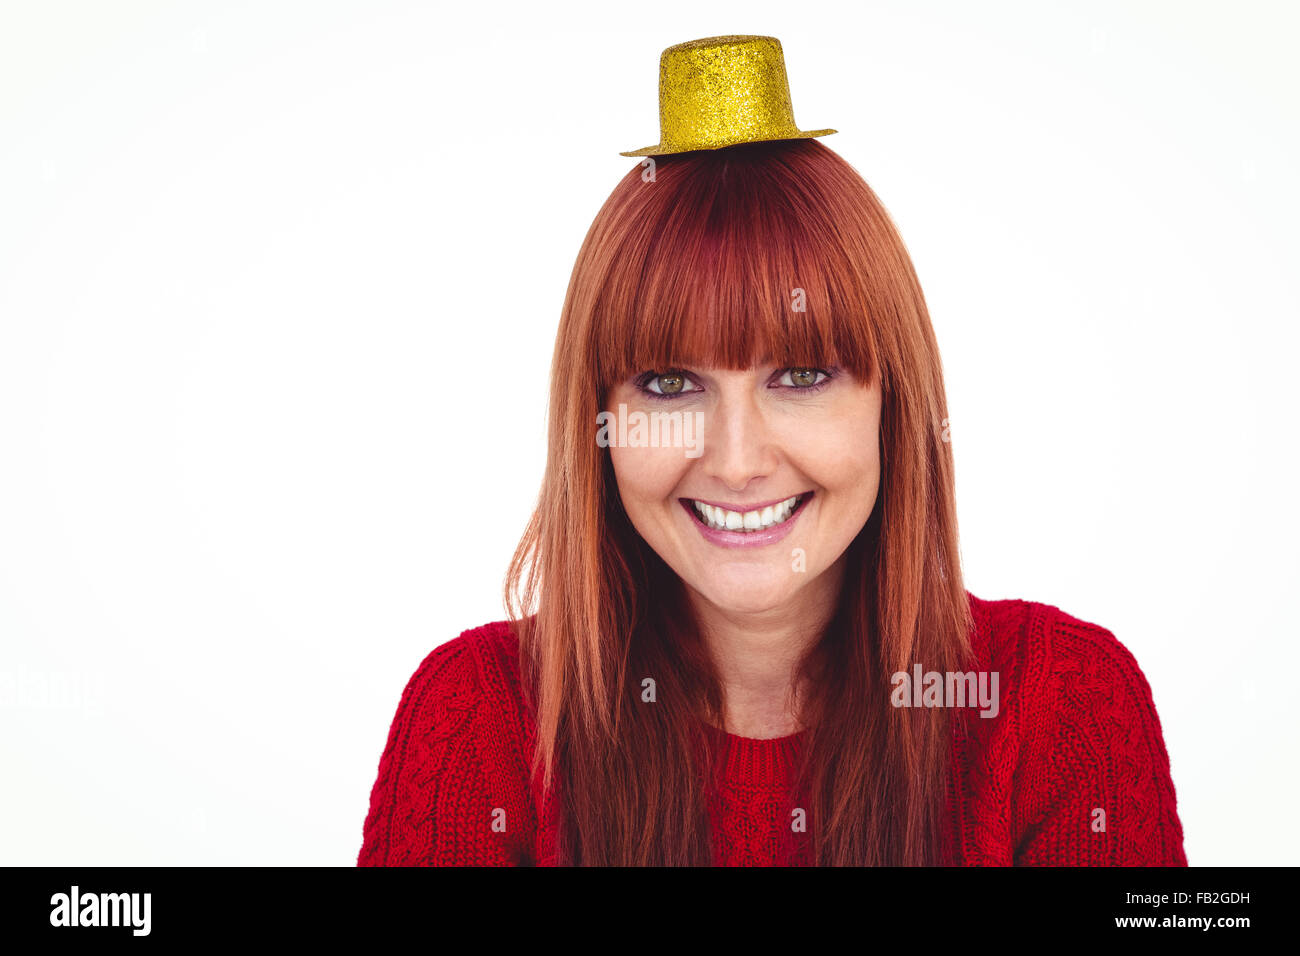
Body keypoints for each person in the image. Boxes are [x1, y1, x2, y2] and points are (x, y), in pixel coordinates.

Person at [357, 35, 1186, 866]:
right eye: (670, 385)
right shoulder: (478, 720)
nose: (738, 460)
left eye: (799, 374)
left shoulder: (1059, 708)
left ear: (890, 406)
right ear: (598, 423)